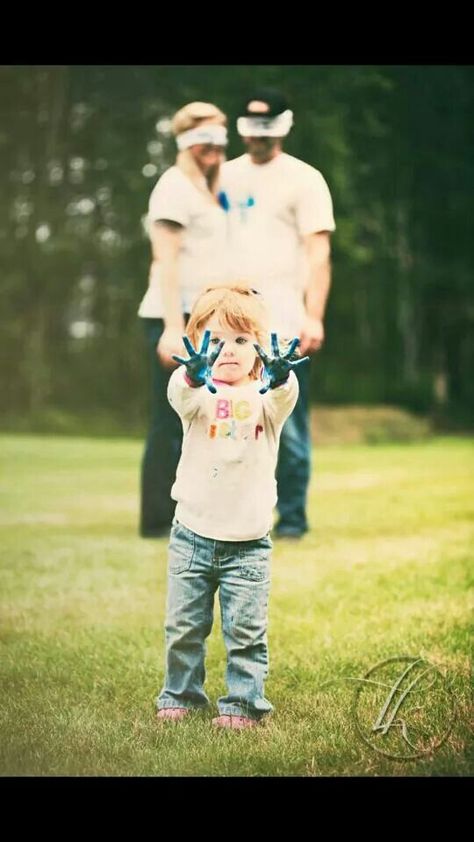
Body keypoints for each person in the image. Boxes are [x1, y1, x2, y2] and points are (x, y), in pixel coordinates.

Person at [155, 283, 307, 729]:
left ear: (260, 347)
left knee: (245, 633)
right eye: (215, 339)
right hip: (192, 535)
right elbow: (179, 394)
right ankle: (181, 695)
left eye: (242, 340)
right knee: (184, 629)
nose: (228, 350)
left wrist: (280, 377)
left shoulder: (265, 402)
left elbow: (284, 396)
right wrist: (190, 375)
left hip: (248, 543)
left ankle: (243, 704)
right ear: (196, 343)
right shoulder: (197, 397)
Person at [220, 88, 336, 539]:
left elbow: (319, 252)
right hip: (230, 322)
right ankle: (232, 520)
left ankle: (291, 520)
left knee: (286, 424)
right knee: (227, 419)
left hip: (285, 320)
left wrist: (314, 314)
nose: (259, 138)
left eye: (268, 127)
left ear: (284, 127)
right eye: (252, 128)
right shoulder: (223, 177)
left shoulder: (304, 179)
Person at [138, 101, 228, 538]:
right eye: (204, 138)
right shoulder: (173, 187)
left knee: (200, 419)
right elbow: (166, 261)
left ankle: (194, 517)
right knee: (169, 419)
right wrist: (175, 328)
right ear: (185, 141)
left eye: (219, 138)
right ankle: (157, 521)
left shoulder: (209, 188)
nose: (213, 147)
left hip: (207, 318)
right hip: (175, 317)